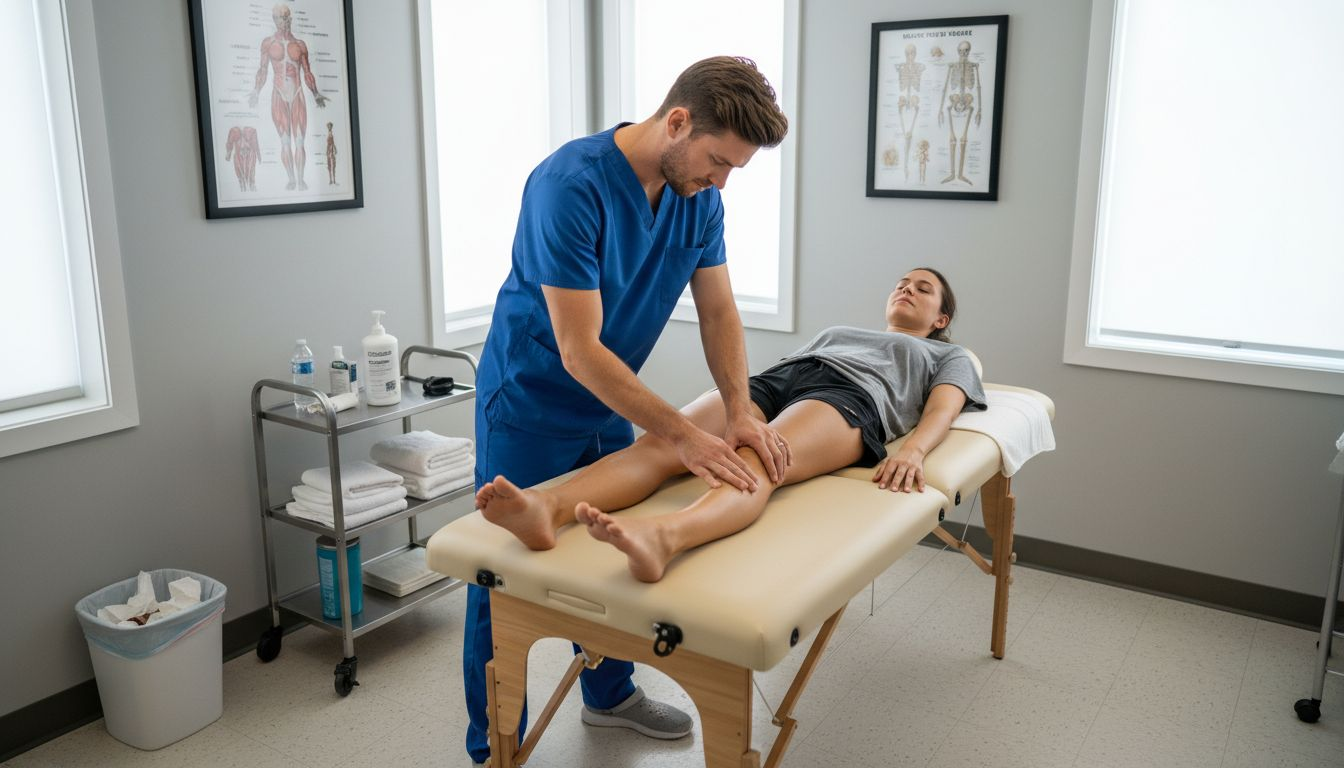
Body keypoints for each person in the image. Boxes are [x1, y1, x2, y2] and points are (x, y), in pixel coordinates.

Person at [466, 57, 789, 765]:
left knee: (605, 556)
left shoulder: (699, 198)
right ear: (677, 122)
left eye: (734, 169)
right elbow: (579, 351)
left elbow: (719, 308)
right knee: (502, 581)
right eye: (716, 161)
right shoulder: (569, 186)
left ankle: (608, 696)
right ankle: (493, 746)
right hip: (528, 402)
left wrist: (739, 409)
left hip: (606, 405)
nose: (721, 181)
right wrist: (681, 437)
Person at [477, 268, 987, 583]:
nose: (907, 289)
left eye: (923, 289)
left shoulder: (949, 354)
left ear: (940, 319)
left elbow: (943, 407)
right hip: (777, 380)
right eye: (902, 282)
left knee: (757, 462)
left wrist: (914, 451)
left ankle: (665, 537)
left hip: (850, 399)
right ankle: (547, 508)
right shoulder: (839, 330)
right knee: (666, 443)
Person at [247, 3, 328, 191]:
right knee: (285, 141)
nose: (285, 21)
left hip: (297, 93)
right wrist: (256, 92)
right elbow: (263, 70)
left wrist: (315, 93)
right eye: (281, 17)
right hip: (279, 94)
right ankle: (292, 180)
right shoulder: (268, 43)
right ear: (274, 20)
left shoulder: (300, 45)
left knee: (299, 140)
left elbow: (307, 72)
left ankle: (301, 180)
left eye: (287, 17)